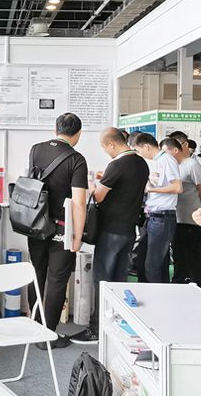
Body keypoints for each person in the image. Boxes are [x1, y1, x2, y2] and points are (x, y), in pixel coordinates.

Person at [71, 128, 148, 344]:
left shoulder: (117, 164)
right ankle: (117, 326)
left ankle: (96, 329)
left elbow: (98, 196)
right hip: (129, 231)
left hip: (110, 231)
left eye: (104, 147)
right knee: (118, 280)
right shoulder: (141, 163)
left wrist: (91, 186)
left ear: (112, 144)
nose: (105, 151)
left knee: (102, 279)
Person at [28, 113, 88, 350]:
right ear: (78, 134)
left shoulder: (35, 149)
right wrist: (78, 236)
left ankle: (35, 327)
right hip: (62, 228)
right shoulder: (77, 159)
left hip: (35, 223)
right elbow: (79, 203)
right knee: (57, 279)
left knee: (37, 273)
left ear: (56, 129)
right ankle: (47, 335)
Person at [132, 133, 182, 283]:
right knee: (145, 260)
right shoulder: (157, 161)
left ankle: (157, 294)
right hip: (153, 217)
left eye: (139, 150)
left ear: (146, 146)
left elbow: (177, 187)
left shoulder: (167, 160)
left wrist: (151, 190)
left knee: (152, 265)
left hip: (162, 217)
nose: (139, 154)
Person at [163, 133, 201, 285]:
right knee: (178, 254)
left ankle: (195, 283)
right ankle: (179, 281)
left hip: (191, 220)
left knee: (192, 255)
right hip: (176, 217)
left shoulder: (192, 165)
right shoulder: (173, 166)